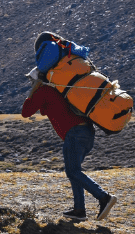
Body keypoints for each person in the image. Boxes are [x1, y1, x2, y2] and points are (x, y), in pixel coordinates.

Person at [21, 66, 117, 222]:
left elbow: (26, 112)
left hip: (74, 134)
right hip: (86, 132)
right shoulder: (60, 89)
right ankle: (79, 210)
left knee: (72, 172)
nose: (31, 84)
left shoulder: (44, 91)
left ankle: (104, 197)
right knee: (75, 172)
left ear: (39, 80)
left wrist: (32, 93)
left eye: (33, 81)